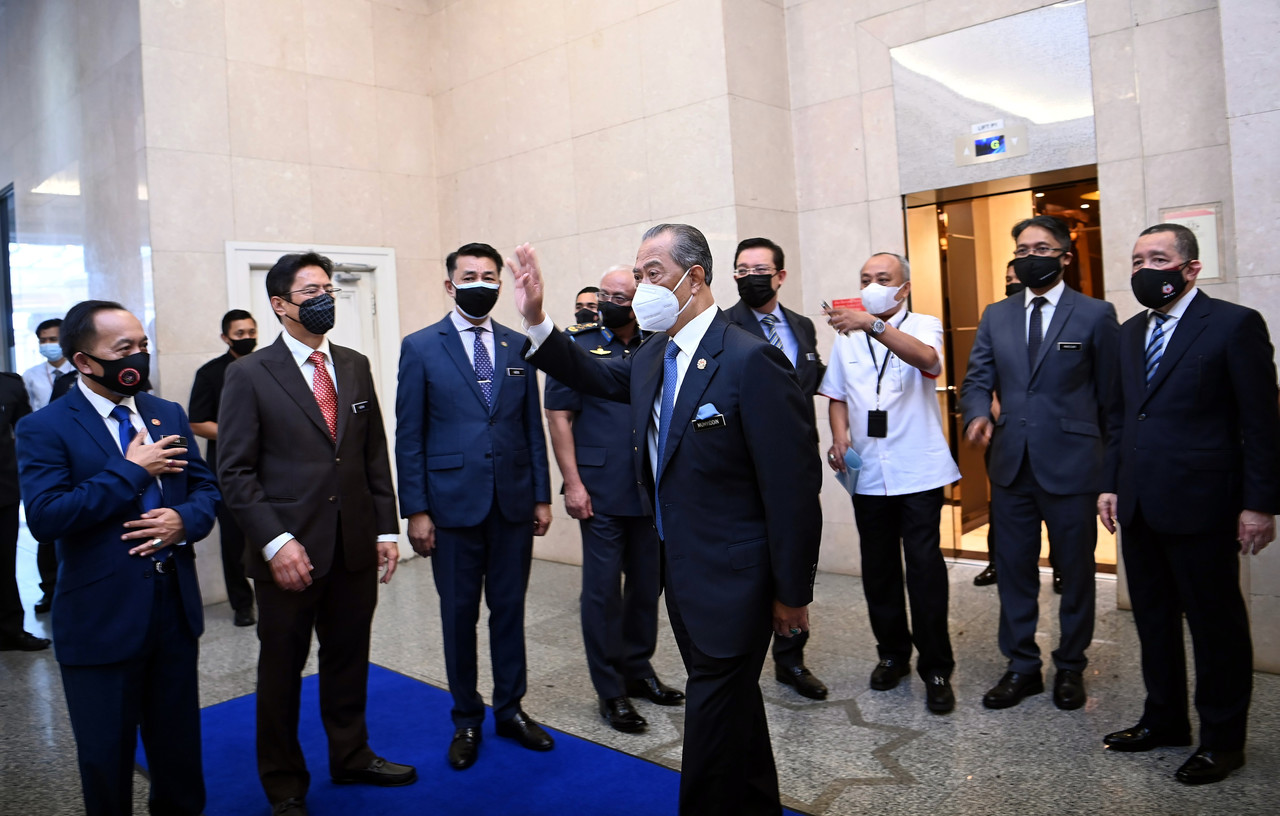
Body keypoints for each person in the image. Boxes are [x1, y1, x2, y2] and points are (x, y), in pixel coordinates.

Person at [511, 224, 822, 816]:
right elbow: (594, 376)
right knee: (733, 705)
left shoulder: (752, 358)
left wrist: (792, 592)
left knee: (711, 703)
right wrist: (537, 320)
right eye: (638, 273)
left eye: (652, 273)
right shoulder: (656, 352)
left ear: (695, 277)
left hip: (737, 571)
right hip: (679, 564)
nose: (638, 286)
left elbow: (793, 487)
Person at [217, 253, 415, 816]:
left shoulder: (352, 364)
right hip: (288, 552)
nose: (324, 297)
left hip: (354, 544)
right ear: (280, 305)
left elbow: (372, 452)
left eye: (328, 288)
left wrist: (384, 528)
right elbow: (234, 471)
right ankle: (283, 783)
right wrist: (276, 543)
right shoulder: (248, 374)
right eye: (311, 290)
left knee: (349, 657)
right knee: (281, 670)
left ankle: (351, 755)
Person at [15, 300, 219, 815]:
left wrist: (183, 522)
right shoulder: (46, 427)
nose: (138, 357)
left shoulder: (165, 412)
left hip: (172, 611)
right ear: (84, 361)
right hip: (100, 621)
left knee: (178, 752)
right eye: (123, 349)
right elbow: (46, 516)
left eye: (143, 346)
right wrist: (132, 471)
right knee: (106, 759)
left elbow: (205, 490)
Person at [1098, 223, 1280, 785]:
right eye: (1136, 260)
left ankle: (1223, 742)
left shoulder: (1233, 325)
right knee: (1153, 621)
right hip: (1140, 503)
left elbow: (1261, 422)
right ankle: (1165, 720)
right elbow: (1121, 419)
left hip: (1205, 503)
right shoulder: (1128, 334)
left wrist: (1260, 504)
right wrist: (1111, 483)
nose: (1145, 270)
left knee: (1215, 626)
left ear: (1190, 268)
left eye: (1158, 258)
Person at [395, 242, 554, 772]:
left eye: (490, 275)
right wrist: (416, 509)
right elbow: (409, 434)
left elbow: (531, 425)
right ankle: (466, 717)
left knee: (509, 612)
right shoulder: (420, 347)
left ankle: (511, 709)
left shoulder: (516, 345)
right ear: (450, 285)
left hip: (511, 502)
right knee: (459, 616)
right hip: (450, 509)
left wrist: (540, 495)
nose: (481, 283)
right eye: (470, 276)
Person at [960, 215, 1119, 711]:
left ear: (1065, 257)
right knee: (1014, 571)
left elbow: (1112, 398)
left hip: (1073, 465)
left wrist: (1112, 475)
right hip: (1010, 465)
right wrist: (978, 412)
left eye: (1042, 248)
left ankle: (1071, 666)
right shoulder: (996, 314)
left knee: (1075, 570)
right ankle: (1022, 666)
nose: (1031, 256)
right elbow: (976, 378)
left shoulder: (1096, 314)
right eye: (1023, 249)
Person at [545, 264, 683, 734]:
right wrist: (573, 482)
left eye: (619, 296)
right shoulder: (578, 345)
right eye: (603, 293)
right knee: (603, 593)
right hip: (600, 488)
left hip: (649, 487)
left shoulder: (658, 343)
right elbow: (559, 415)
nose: (608, 302)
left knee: (647, 587)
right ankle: (611, 691)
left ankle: (638, 670)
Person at [821, 252, 960, 713]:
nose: (873, 285)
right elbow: (837, 396)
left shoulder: (922, 323)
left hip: (918, 471)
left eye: (883, 278)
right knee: (879, 571)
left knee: (923, 570)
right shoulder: (847, 339)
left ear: (903, 288)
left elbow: (930, 362)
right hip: (868, 471)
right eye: (866, 278)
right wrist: (840, 437)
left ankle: (936, 668)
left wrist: (873, 325)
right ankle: (892, 655)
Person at [725, 237, 829, 700]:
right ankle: (743, 656)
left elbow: (814, 380)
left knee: (794, 556)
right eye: (742, 269)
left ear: (781, 276)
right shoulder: (723, 326)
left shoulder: (803, 326)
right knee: (754, 564)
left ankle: (791, 660)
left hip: (799, 464)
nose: (750, 276)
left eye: (760, 268)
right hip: (745, 467)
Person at [188, 309, 258, 627]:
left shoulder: (269, 366)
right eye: (239, 334)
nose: (247, 339)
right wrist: (240, 431)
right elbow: (197, 423)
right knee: (233, 539)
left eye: (250, 332)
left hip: (270, 465)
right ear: (225, 338)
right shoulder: (210, 373)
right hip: (228, 467)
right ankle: (242, 604)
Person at [21, 317, 75, 613]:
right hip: (46, 452)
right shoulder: (30, 376)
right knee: (47, 524)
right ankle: (49, 588)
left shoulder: (82, 375)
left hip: (74, 450)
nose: (48, 345)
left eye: (53, 339)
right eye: (43, 340)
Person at [0, 371, 44, 651]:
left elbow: (27, 432)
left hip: (2, 491)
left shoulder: (9, 384)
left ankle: (10, 631)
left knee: (4, 564)